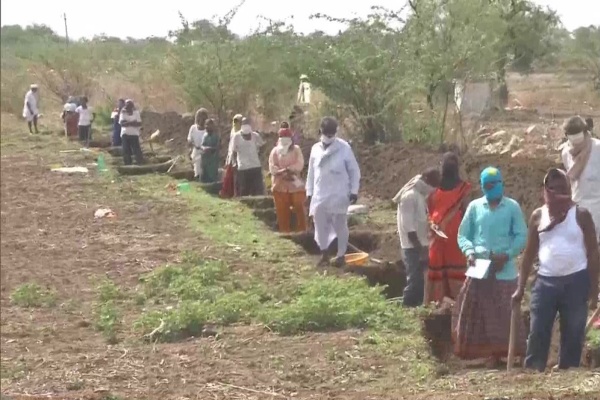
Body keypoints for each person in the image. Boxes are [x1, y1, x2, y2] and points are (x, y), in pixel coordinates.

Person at [513, 168, 599, 371]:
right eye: (553, 189)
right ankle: (533, 373)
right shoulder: (537, 216)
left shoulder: (581, 215)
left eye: (562, 188)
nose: (558, 193)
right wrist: (520, 287)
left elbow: (594, 254)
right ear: (546, 190)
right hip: (545, 283)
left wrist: (594, 291)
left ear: (569, 189)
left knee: (573, 334)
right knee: (538, 332)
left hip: (576, 282)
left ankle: (567, 374)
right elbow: (528, 256)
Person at [453, 166, 528, 367]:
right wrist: (469, 252)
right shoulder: (475, 207)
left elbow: (522, 235)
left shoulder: (511, 207)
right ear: (483, 186)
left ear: (501, 184)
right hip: (479, 266)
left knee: (505, 312)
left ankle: (512, 353)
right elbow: (463, 235)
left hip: (504, 269)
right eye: (487, 185)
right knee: (477, 312)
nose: (491, 188)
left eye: (494, 185)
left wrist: (509, 254)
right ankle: (489, 355)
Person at [306, 116, 361, 268]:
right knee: (320, 225)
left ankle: (341, 255)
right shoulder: (315, 149)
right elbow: (311, 173)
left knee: (340, 226)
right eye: (326, 134)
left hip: (339, 195)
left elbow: (354, 171)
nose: (329, 137)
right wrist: (309, 192)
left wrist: (354, 191)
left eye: (332, 134)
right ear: (320, 132)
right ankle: (324, 254)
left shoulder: (344, 148)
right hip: (320, 195)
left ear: (336, 133)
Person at [427, 152, 472, 303]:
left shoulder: (433, 190)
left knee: (438, 270)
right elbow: (467, 213)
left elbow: (429, 212)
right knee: (455, 270)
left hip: (437, 236)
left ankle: (437, 306)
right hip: (453, 237)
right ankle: (458, 305)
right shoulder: (463, 189)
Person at [393, 168, 441, 307]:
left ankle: (417, 308)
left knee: (421, 281)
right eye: (434, 183)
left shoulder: (419, 196)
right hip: (412, 246)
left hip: (420, 244)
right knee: (414, 281)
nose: (434, 188)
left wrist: (431, 226)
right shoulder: (409, 196)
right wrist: (420, 249)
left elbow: (419, 220)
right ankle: (407, 308)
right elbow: (408, 227)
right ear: (426, 180)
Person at [561, 116, 600, 244]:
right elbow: (572, 180)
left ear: (585, 132)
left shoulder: (597, 148)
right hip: (577, 207)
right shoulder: (566, 152)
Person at [269, 127, 307, 233]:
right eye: (282, 137)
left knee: (299, 206)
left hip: (295, 184)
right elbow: (272, 167)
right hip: (279, 184)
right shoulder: (275, 151)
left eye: (287, 137)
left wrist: (290, 170)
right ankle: (285, 233)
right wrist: (282, 173)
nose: (284, 139)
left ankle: (302, 232)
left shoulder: (296, 149)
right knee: (282, 211)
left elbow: (300, 164)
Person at [229, 117, 265, 196]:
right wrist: (234, 163)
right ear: (241, 125)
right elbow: (233, 152)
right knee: (243, 191)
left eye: (248, 123)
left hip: (255, 166)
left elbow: (262, 146)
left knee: (257, 191)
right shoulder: (236, 136)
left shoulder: (255, 135)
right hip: (243, 168)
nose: (246, 126)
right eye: (244, 123)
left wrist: (259, 155)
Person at [119, 99, 144, 165]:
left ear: (132, 106)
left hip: (134, 134)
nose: (128, 107)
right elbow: (122, 124)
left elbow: (139, 123)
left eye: (129, 105)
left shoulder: (136, 112)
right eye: (127, 105)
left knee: (137, 150)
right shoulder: (123, 112)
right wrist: (132, 122)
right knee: (126, 150)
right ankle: (127, 164)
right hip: (125, 133)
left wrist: (127, 123)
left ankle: (140, 163)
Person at [188, 108, 209, 180]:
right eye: (200, 118)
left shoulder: (208, 130)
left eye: (204, 118)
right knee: (197, 168)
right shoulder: (193, 128)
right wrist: (194, 146)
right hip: (196, 152)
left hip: (205, 152)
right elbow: (190, 140)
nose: (201, 120)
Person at [200, 118, 220, 183]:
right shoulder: (205, 135)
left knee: (212, 176)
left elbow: (218, 146)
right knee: (204, 175)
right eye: (206, 125)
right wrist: (204, 148)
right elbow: (202, 145)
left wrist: (210, 149)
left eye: (209, 125)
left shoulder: (216, 136)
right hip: (205, 159)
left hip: (213, 160)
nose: (207, 127)